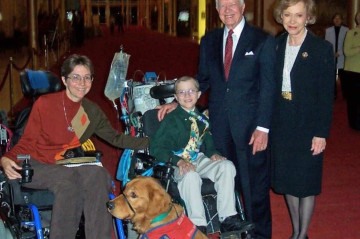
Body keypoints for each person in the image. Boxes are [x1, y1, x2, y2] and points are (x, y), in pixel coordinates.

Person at [157, 0, 276, 238]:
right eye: (222, 5)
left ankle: (259, 235)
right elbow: (202, 80)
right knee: (227, 180)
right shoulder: (209, 41)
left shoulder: (262, 40)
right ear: (217, 10)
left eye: (233, 4)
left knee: (255, 188)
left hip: (251, 128)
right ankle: (232, 231)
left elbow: (269, 87)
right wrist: (175, 101)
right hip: (219, 129)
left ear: (243, 7)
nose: (228, 10)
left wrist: (263, 127)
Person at [0, 54, 149, 239]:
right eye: (75, 77)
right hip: (36, 164)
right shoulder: (45, 104)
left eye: (87, 77)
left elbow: (116, 138)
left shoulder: (90, 111)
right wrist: (6, 159)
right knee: (69, 180)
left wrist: (152, 142)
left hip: (65, 164)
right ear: (64, 80)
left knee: (99, 175)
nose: (82, 83)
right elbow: (26, 142)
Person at [271, 1, 335, 239]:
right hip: (282, 125)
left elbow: (326, 96)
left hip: (308, 127)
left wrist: (321, 133)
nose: (292, 20)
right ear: (281, 16)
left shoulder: (321, 49)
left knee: (306, 183)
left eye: (299, 15)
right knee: (288, 180)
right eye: (287, 15)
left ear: (308, 17)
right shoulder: (276, 45)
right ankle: (297, 231)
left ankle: (302, 234)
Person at [150, 76, 245, 235]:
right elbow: (156, 148)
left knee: (227, 166)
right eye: (182, 92)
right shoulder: (171, 120)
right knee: (191, 176)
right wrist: (178, 161)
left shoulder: (202, 119)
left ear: (199, 94)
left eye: (191, 91)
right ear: (176, 97)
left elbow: (207, 141)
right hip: (175, 160)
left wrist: (213, 153)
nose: (187, 95)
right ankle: (198, 224)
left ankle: (227, 218)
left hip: (196, 158)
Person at [325, 13, 349, 99]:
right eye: (335, 18)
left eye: (339, 18)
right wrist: (331, 53)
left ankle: (345, 95)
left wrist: (339, 52)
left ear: (342, 20)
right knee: (332, 77)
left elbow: (347, 44)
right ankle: (333, 94)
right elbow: (327, 43)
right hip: (331, 56)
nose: (337, 20)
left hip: (342, 55)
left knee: (344, 78)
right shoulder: (328, 30)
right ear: (333, 20)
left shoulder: (347, 30)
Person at [343, 11, 360, 130]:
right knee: (354, 100)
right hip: (353, 71)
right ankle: (354, 124)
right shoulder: (351, 33)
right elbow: (347, 52)